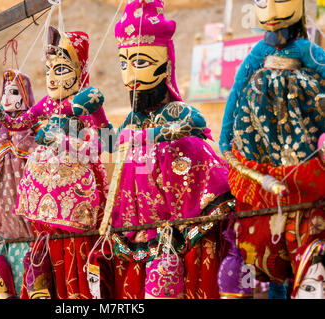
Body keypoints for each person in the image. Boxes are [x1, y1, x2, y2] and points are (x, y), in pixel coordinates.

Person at [79, 0, 232, 299]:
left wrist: (147, 137)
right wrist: (96, 115)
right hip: (140, 229)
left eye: (139, 63)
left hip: (185, 224)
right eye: (124, 64)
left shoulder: (175, 111)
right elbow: (111, 144)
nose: (129, 77)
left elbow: (196, 121)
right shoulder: (133, 119)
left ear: (166, 65)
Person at [0, 26, 110, 299]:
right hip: (43, 201)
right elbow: (19, 122)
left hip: (77, 199)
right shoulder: (46, 103)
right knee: (47, 255)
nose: (52, 79)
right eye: (48, 70)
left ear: (79, 70)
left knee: (75, 253)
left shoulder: (86, 101)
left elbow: (104, 144)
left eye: (61, 70)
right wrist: (0, 113)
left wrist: (61, 142)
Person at [219, 0, 325, 294]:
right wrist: (226, 137)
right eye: (263, 3)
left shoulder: (306, 50)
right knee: (268, 231)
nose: (271, 12)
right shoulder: (259, 52)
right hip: (260, 148)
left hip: (302, 148)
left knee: (302, 225)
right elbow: (237, 90)